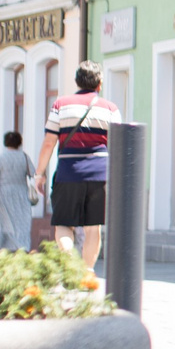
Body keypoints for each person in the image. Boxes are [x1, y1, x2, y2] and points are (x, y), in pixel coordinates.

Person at [40, 62, 121, 272]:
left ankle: (71, 267)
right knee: (93, 228)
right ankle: (87, 272)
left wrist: (39, 174)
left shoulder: (61, 105)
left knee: (64, 225)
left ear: (77, 81)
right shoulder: (111, 108)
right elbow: (119, 144)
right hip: (99, 176)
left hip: (68, 173)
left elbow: (49, 142)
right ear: (99, 84)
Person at [0, 128, 35, 253]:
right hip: (21, 193)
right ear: (19, 143)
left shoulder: (0, 158)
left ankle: (4, 247)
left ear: (5, 142)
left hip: (3, 194)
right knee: (22, 220)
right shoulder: (24, 157)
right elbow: (33, 173)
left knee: (4, 221)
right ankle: (22, 247)